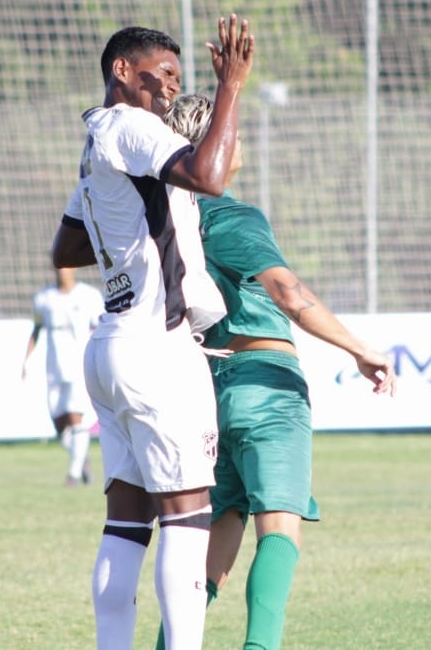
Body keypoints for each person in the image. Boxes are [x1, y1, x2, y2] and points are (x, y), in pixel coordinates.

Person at [159, 93, 395, 650]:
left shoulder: (170, 219)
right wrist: (359, 349)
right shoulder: (231, 214)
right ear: (208, 145)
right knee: (279, 525)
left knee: (214, 538)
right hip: (265, 382)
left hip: (205, 387)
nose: (238, 139)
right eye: (230, 131)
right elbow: (289, 293)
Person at [50, 16, 255, 650]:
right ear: (121, 71)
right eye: (161, 74)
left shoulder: (96, 142)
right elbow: (212, 176)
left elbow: (64, 244)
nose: (171, 87)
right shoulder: (134, 126)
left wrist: (127, 231)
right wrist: (231, 88)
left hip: (110, 345)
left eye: (177, 76)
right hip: (156, 350)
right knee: (187, 521)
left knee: (127, 526)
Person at [23, 266, 104, 486]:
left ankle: (74, 475)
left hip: (78, 365)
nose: (63, 271)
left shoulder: (89, 296)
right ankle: (81, 458)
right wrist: (26, 361)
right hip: (54, 368)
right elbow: (36, 329)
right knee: (59, 424)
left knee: (76, 417)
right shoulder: (43, 298)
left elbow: (100, 330)